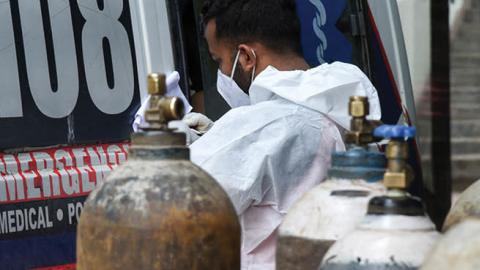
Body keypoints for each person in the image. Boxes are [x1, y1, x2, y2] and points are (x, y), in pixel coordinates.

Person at [139, 0, 381, 269]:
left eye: (218, 61)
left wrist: (158, 144)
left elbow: (165, 202)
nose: (220, 73)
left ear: (246, 57)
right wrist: (216, 136)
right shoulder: (338, 107)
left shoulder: (265, 126)